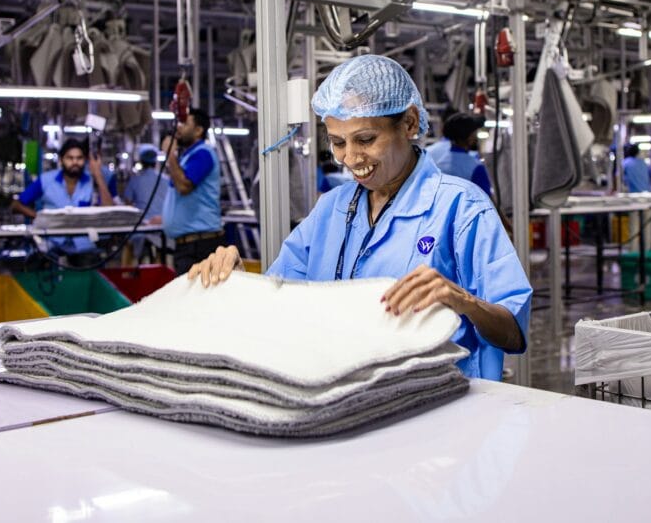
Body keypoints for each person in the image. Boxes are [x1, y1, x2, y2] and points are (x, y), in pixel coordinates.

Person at [187, 55, 531, 381]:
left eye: (365, 139)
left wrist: (464, 301)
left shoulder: (462, 207)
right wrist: (237, 282)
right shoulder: (330, 210)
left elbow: (513, 334)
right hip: (343, 399)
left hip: (438, 407)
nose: (350, 158)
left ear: (409, 123)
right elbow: (279, 297)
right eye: (338, 143)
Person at [11, 138, 114, 255]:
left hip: (83, 247)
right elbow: (16, 205)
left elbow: (109, 210)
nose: (75, 162)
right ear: (61, 160)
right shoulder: (46, 180)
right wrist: (39, 217)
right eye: (70, 158)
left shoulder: (91, 182)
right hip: (51, 243)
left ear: (85, 161)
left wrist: (97, 174)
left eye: (79, 158)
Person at [161, 107, 224, 273]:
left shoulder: (203, 154)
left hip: (198, 246)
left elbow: (184, 186)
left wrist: (170, 156)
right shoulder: (188, 157)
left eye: (185, 123)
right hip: (190, 245)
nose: (179, 128)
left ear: (198, 130)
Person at [122, 144, 169, 264]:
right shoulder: (166, 180)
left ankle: (127, 276)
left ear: (141, 162)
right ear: (155, 162)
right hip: (162, 227)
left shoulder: (135, 180)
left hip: (141, 227)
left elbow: (128, 204)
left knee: (126, 244)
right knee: (161, 254)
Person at [434, 112, 492, 195]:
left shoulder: (438, 166)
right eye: (474, 133)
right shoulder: (475, 167)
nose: (476, 136)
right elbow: (485, 201)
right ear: (469, 137)